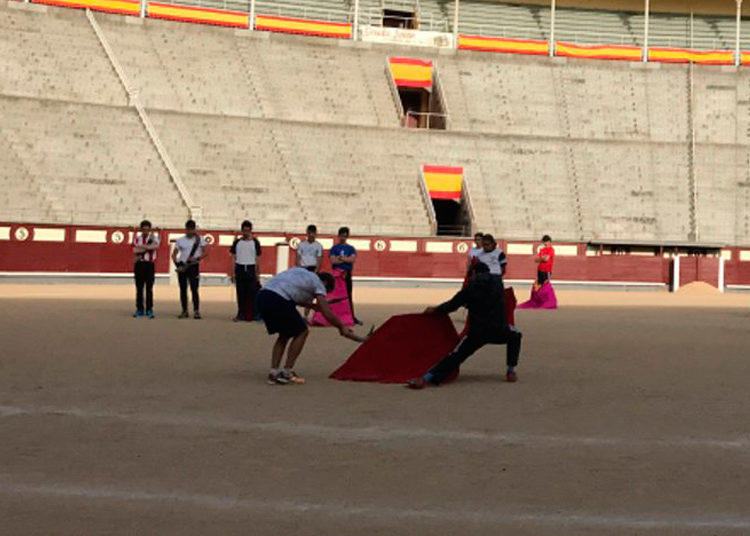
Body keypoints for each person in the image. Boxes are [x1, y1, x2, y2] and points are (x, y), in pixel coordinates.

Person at [407, 262, 522, 389]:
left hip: (477, 332)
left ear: (473, 273)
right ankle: (511, 371)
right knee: (516, 335)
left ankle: (425, 378)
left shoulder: (470, 288)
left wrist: (436, 310)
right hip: (499, 328)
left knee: (456, 355)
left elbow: (452, 306)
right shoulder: (498, 282)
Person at [256, 267, 364, 385]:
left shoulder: (300, 272)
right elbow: (326, 311)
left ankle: (274, 372)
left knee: (285, 334)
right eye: (325, 292)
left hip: (262, 297)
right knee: (302, 331)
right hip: (279, 299)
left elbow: (292, 295)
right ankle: (287, 371)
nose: (322, 295)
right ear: (325, 284)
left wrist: (312, 306)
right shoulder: (319, 284)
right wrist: (341, 326)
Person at [172, 219, 208, 319]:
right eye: (188, 229)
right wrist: (177, 265)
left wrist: (197, 258)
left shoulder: (200, 239)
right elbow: (174, 254)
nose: (190, 231)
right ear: (186, 229)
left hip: (193, 266)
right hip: (183, 265)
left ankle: (196, 311)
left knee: (194, 289)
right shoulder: (180, 240)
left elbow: (205, 252)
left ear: (194, 229)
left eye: (192, 229)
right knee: (183, 290)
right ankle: (184, 311)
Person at [230, 220, 261, 322]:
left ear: (251, 231)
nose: (246, 233)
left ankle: (253, 314)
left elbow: (257, 259)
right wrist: (233, 272)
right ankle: (241, 314)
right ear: (242, 230)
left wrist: (258, 274)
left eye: (248, 231)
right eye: (244, 231)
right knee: (241, 293)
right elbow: (233, 258)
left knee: (252, 293)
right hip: (240, 268)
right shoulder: (237, 242)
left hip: (251, 268)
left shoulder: (255, 242)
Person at [330, 226, 362, 325]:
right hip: (336, 276)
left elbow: (351, 260)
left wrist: (340, 258)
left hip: (346, 274)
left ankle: (350, 316)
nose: (343, 238)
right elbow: (332, 260)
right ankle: (335, 317)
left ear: (347, 236)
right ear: (339, 236)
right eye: (341, 236)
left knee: (348, 296)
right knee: (334, 296)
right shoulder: (334, 248)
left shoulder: (350, 248)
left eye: (345, 236)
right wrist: (345, 259)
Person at [132, 220, 160, 319]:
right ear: (141, 229)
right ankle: (139, 309)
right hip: (139, 265)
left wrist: (142, 247)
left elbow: (156, 246)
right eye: (144, 230)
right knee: (139, 288)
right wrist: (148, 247)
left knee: (149, 288)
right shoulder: (137, 239)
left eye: (147, 230)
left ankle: (149, 309)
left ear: (149, 230)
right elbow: (135, 250)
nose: (145, 232)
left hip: (149, 265)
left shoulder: (153, 238)